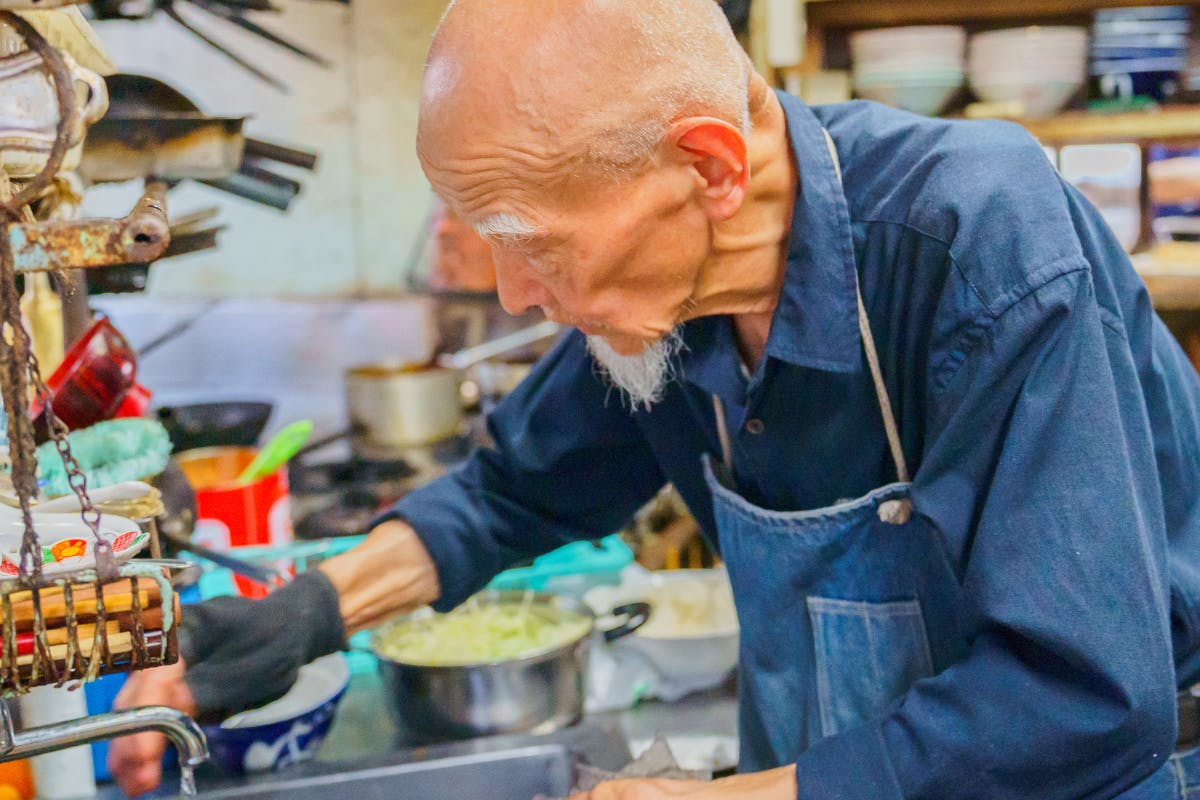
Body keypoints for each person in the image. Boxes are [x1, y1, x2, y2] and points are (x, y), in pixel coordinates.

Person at [110, 1, 1200, 798]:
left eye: (531, 241)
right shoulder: (664, 295)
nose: (514, 294)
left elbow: (1085, 698)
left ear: (709, 168)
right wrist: (290, 623)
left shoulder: (978, 242)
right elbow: (513, 490)